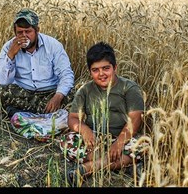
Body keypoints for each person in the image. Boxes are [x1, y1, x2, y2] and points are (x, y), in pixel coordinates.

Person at [62, 42, 146, 186]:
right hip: (95, 139)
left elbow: (135, 119)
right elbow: (73, 118)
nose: (101, 74)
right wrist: (85, 131)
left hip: (123, 137)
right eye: (95, 70)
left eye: (106, 68)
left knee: (143, 145)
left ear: (115, 67)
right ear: (90, 72)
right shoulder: (85, 90)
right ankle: (116, 164)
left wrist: (118, 143)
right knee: (67, 141)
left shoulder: (129, 88)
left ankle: (88, 168)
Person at [0, 8, 74, 116]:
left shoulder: (53, 45)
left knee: (75, 93)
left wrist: (58, 97)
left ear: (37, 30)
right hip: (24, 93)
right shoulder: (8, 47)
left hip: (50, 92)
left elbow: (66, 74)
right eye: (20, 32)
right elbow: (3, 82)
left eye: (28, 32)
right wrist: (11, 55)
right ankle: (50, 113)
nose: (24, 36)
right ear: (15, 32)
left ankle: (22, 112)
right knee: (1, 92)